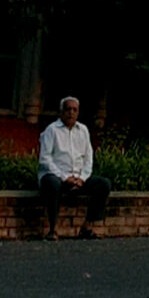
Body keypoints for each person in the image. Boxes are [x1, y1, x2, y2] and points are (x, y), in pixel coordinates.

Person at [37, 97, 112, 239]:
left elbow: (88, 158)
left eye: (74, 110)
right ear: (61, 112)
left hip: (78, 178)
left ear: (78, 113)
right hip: (56, 176)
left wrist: (81, 179)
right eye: (68, 109)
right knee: (53, 183)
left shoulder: (83, 130)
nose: (71, 113)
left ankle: (87, 226)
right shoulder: (52, 130)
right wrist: (65, 178)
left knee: (103, 184)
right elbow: (45, 159)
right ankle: (52, 230)